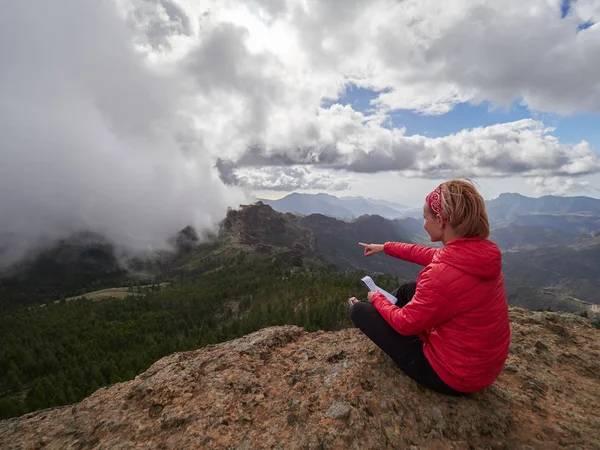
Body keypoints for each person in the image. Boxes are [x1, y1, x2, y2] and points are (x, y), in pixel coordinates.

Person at [350, 179, 510, 396]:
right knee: (409, 289)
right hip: (483, 368)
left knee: (360, 311)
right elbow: (424, 253)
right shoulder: (480, 253)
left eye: (426, 217)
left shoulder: (440, 276)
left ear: (442, 221)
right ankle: (390, 315)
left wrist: (376, 298)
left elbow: (406, 324)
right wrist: (384, 247)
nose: (424, 223)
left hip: (453, 376)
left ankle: (381, 316)